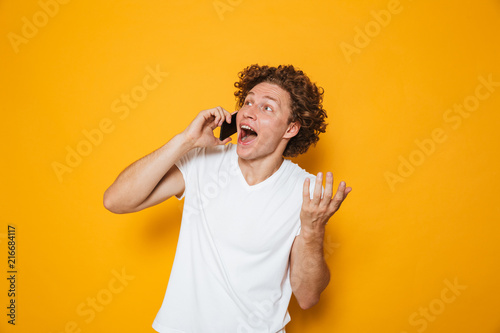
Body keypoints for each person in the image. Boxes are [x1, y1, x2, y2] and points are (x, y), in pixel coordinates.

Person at [103, 64, 352, 332]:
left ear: (290, 128)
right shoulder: (202, 161)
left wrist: (313, 229)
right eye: (248, 102)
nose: (249, 112)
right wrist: (185, 140)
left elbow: (307, 297)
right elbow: (115, 201)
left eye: (267, 108)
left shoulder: (307, 192)